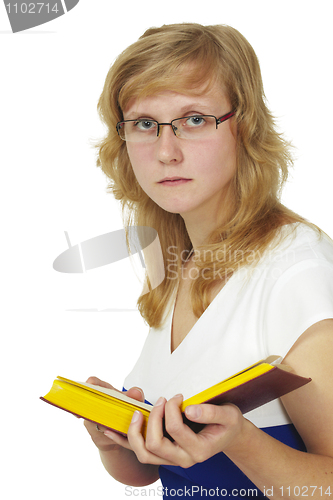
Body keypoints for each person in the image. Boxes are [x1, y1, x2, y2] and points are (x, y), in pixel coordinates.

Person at [84, 23, 333, 498]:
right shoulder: (178, 264)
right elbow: (156, 473)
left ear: (246, 126)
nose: (165, 151)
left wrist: (240, 441)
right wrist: (115, 441)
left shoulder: (297, 272)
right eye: (143, 124)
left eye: (194, 119)